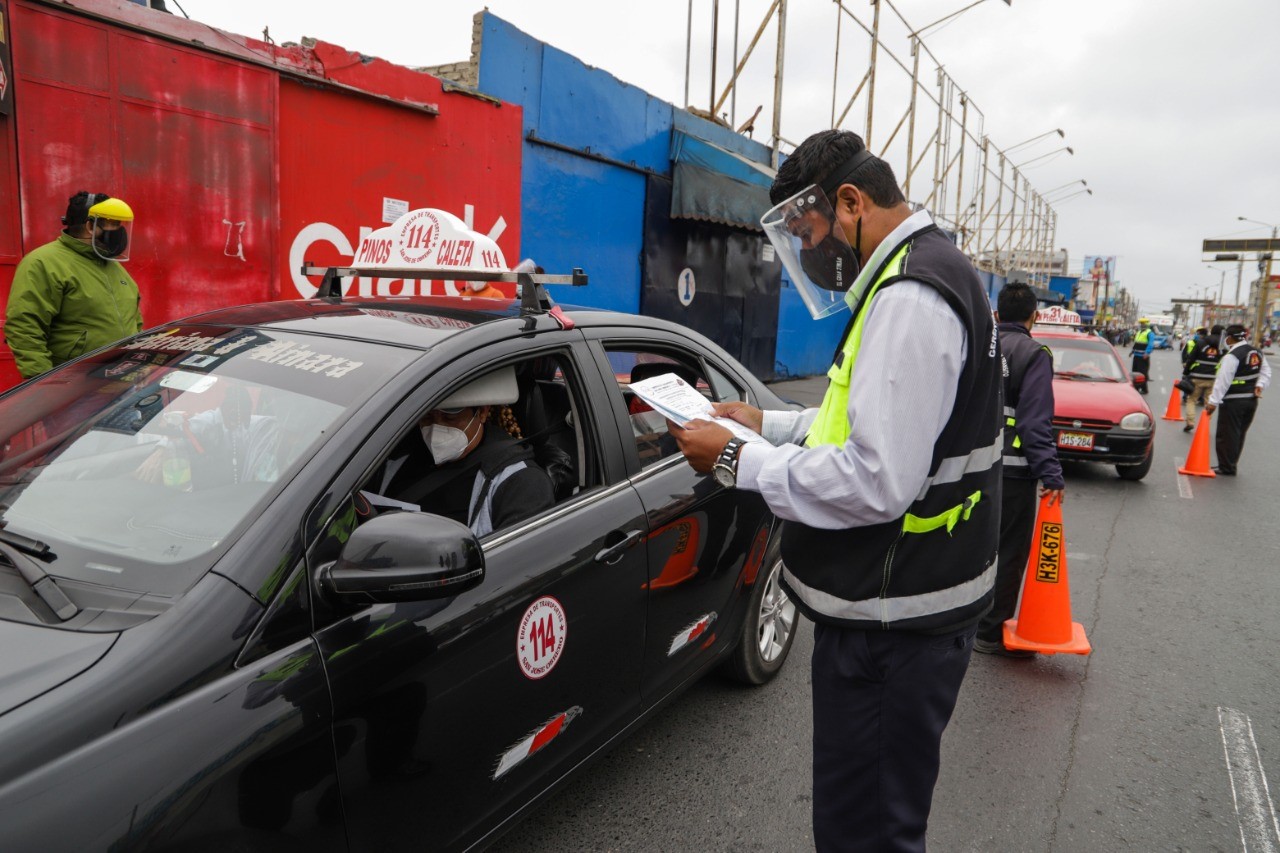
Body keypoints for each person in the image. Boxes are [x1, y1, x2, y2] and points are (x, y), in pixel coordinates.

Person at [668, 129, 1002, 852]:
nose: (811, 252)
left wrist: (736, 460)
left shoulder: (912, 295)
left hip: (895, 623)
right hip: (903, 610)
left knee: (866, 834)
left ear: (851, 201)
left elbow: (875, 478)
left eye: (809, 230)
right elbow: (856, 424)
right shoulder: (925, 272)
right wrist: (767, 423)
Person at [975, 284, 1065, 658]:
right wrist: (1051, 474)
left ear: (997, 314)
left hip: (972, 466)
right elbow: (1034, 422)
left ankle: (960, 617)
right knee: (1008, 552)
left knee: (973, 543)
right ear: (1035, 316)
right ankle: (989, 633)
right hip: (1013, 474)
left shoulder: (981, 345)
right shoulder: (1034, 354)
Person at [372, 366, 555, 536]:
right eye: (428, 416)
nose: (437, 427)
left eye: (450, 416)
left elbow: (514, 562)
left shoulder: (519, 481)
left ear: (482, 412)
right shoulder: (395, 455)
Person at [4, 191, 143, 379]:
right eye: (114, 224)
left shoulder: (112, 265)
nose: (119, 231)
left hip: (125, 380)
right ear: (90, 226)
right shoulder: (44, 262)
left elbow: (135, 319)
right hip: (77, 386)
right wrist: (44, 383)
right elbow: (24, 327)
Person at [1205, 324, 1270, 476]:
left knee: (1227, 434)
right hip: (1251, 401)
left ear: (1229, 338)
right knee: (1239, 434)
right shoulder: (1256, 352)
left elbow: (1223, 381)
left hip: (1233, 402)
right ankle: (1231, 464)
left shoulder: (1232, 356)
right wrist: (1260, 385)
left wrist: (1213, 402)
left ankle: (1226, 466)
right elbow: (1266, 371)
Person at [1181, 325, 1223, 432]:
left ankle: (1190, 422)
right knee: (1209, 403)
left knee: (1191, 400)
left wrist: (1186, 372)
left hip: (1197, 376)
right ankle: (1205, 424)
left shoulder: (1201, 342)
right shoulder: (1223, 345)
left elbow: (1191, 358)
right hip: (1213, 378)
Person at [1130, 317, 1153, 394]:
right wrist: (1132, 351)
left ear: (1147, 324)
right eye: (1141, 323)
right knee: (1135, 372)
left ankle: (1144, 389)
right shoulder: (1139, 332)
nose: (1142, 325)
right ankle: (1136, 387)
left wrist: (1147, 353)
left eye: (1143, 323)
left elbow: (1150, 344)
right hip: (1136, 355)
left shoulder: (1149, 333)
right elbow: (1136, 343)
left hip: (1143, 357)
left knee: (1142, 373)